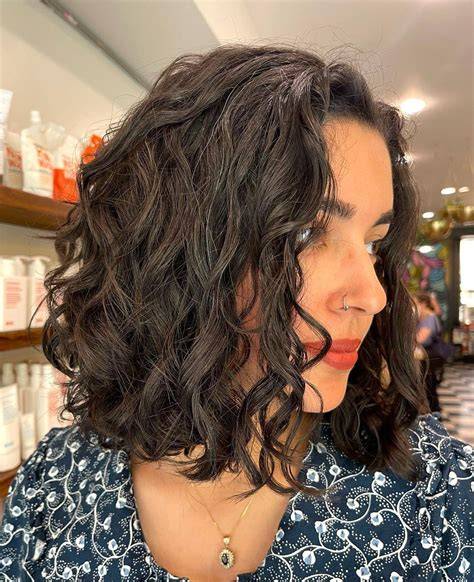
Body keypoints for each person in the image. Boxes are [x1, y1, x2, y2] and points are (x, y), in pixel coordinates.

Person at [1, 44, 472, 582]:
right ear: (175, 252)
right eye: (305, 234)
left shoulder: (439, 498)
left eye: (372, 243)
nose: (373, 295)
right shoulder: (54, 490)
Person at [414, 291, 445, 414]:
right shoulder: (424, 318)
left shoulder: (430, 318)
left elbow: (420, 339)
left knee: (427, 383)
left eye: (415, 303)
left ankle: (431, 410)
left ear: (422, 304)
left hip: (431, 355)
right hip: (426, 355)